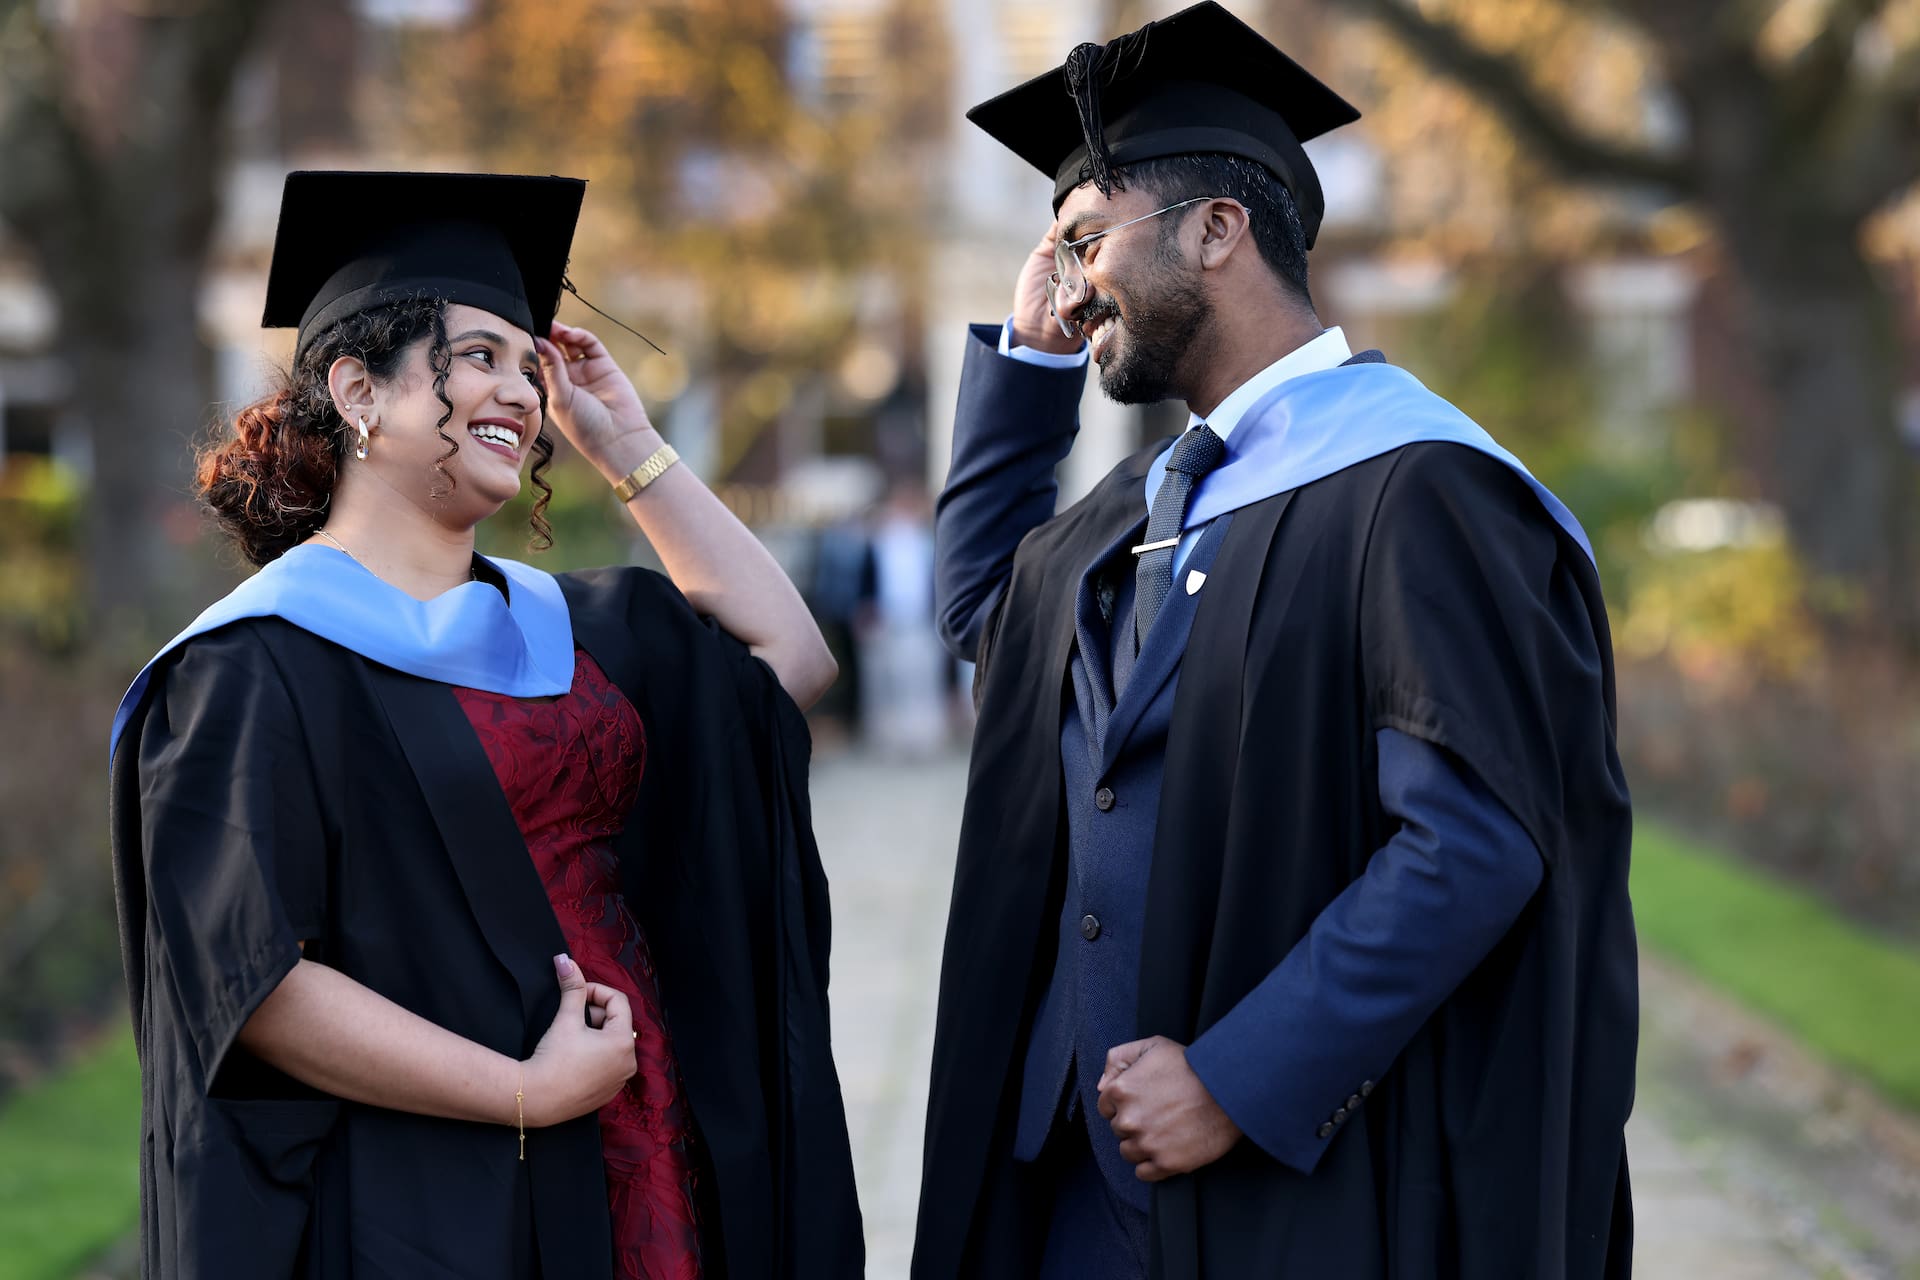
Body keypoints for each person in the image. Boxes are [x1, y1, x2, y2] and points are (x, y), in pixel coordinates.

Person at [912, 5, 1637, 1278]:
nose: (1072, 284)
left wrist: (1238, 1081)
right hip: (1071, 1178)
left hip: (1282, 1182)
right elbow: (991, 625)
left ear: (1216, 230)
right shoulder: (1142, 504)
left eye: (1086, 242)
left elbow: (1473, 839)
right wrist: (1026, 367)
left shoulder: (1414, 488)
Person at [109, 171, 864, 1279]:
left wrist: (628, 447)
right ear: (358, 388)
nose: (518, 388)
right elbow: (254, 983)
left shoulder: (583, 629)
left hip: (637, 1145)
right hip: (432, 1191)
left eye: (527, 362)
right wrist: (523, 1089)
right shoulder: (256, 664)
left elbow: (790, 658)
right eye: (477, 357)